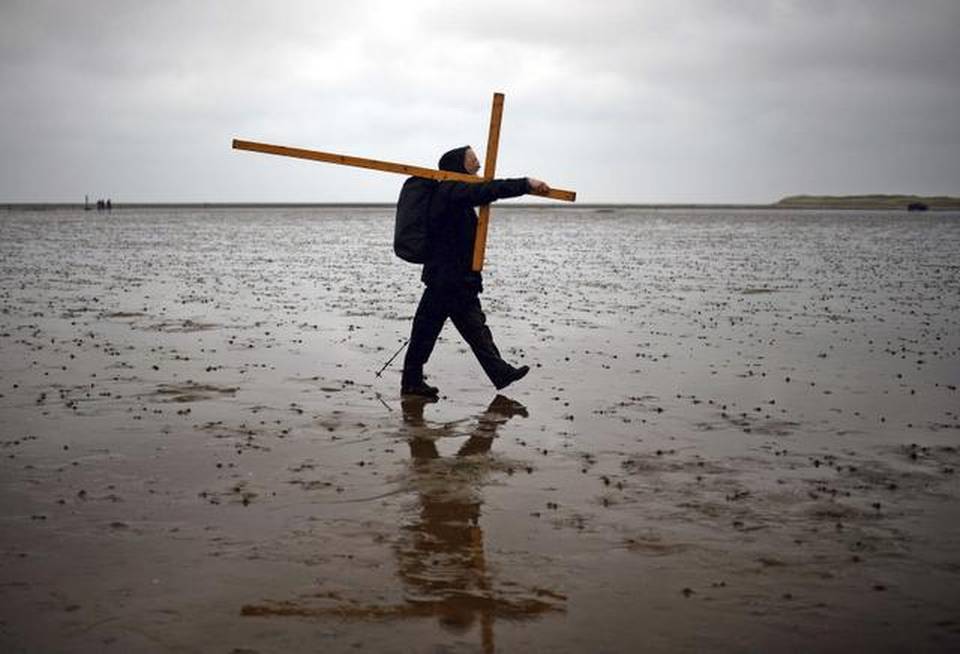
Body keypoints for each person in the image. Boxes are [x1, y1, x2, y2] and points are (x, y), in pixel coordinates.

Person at [401, 145, 550, 398]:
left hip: (450, 278)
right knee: (451, 330)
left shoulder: (451, 191)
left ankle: (415, 381)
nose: (479, 165)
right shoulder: (451, 190)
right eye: (473, 161)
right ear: (459, 164)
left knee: (448, 329)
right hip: (450, 279)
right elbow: (489, 189)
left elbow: (482, 191)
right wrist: (526, 183)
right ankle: (415, 381)